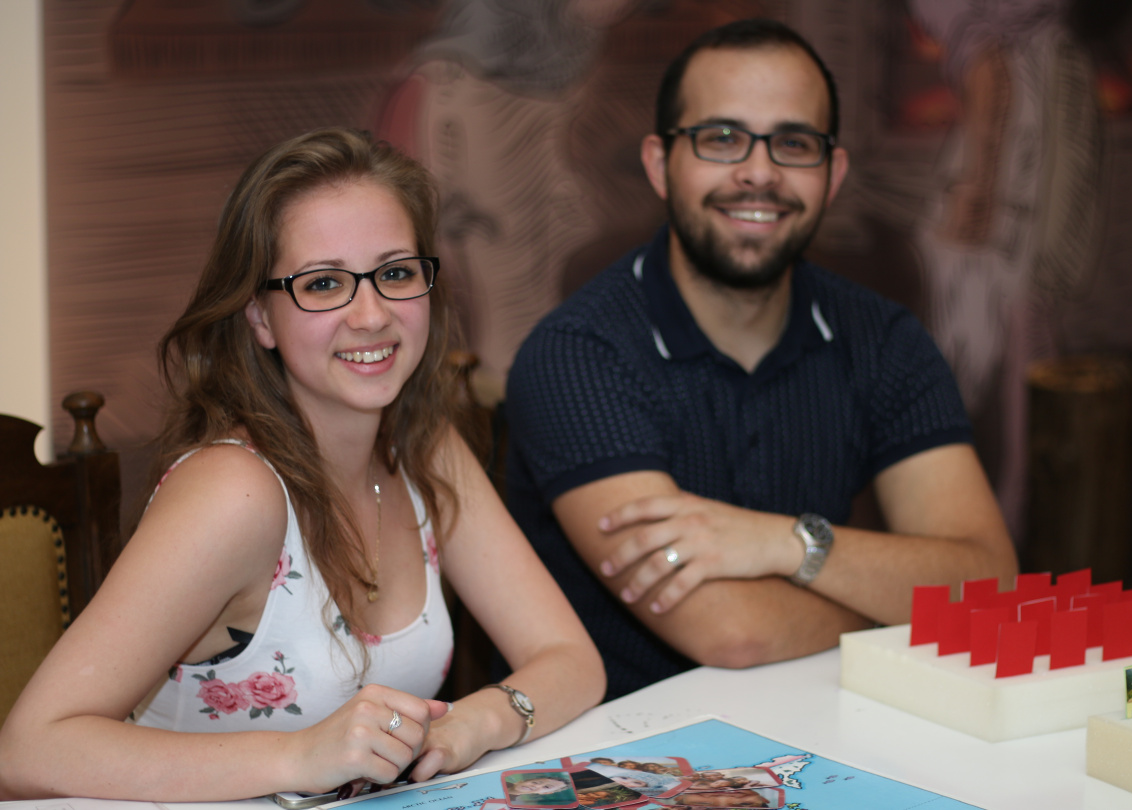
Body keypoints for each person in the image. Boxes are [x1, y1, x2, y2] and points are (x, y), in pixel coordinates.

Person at [0, 128, 604, 801]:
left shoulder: (423, 445)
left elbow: (571, 660)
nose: (371, 315)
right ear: (259, 317)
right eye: (322, 283)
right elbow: (28, 750)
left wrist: (474, 722)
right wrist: (297, 756)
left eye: (395, 273)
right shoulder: (233, 492)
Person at [505, 18, 1018, 700]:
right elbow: (730, 631)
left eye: (793, 143)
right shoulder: (577, 355)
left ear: (832, 175)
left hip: (830, 730)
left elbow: (986, 583)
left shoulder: (883, 338)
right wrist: (898, 607)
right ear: (660, 165)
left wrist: (787, 542)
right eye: (721, 138)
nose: (758, 172)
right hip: (632, 747)